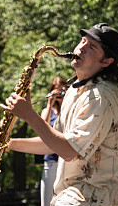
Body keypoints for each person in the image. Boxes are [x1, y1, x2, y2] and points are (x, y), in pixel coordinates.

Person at [3, 23, 118, 206]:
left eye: (91, 47)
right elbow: (54, 143)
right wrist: (6, 144)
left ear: (106, 61)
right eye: (83, 41)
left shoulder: (100, 97)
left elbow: (69, 151)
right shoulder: (74, 90)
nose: (81, 48)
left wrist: (29, 115)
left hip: (93, 196)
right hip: (73, 194)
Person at [39, 76, 67, 206]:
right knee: (47, 201)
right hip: (50, 161)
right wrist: (49, 103)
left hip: (67, 160)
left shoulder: (70, 109)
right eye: (56, 92)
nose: (59, 95)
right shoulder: (47, 110)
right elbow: (41, 128)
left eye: (62, 91)